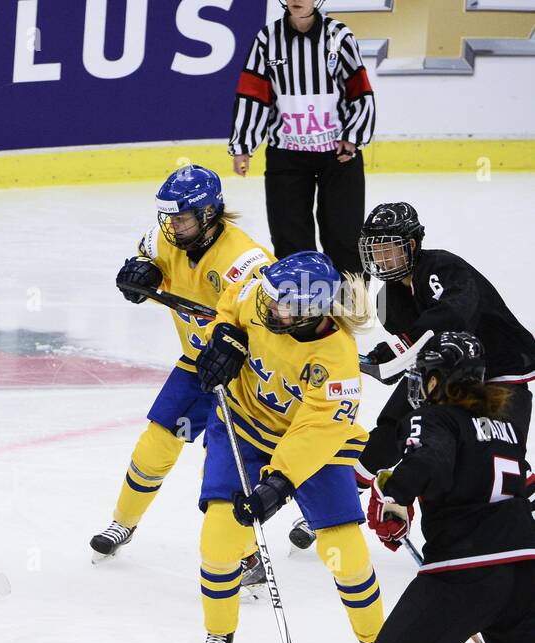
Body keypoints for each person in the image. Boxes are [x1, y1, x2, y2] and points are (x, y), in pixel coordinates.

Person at [361, 331, 535, 643]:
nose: (420, 385)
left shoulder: (436, 415)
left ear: (444, 380)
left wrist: (395, 499)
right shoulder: (502, 420)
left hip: (468, 570)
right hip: (525, 563)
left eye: (425, 375)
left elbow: (430, 461)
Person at [190, 252, 383, 643]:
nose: (271, 307)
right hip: (242, 425)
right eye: (272, 297)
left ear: (313, 311)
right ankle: (219, 635)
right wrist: (224, 336)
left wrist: (279, 483)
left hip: (317, 446)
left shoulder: (337, 360)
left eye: (285, 305)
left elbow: (317, 430)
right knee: (218, 540)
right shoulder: (266, 295)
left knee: (345, 553)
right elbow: (231, 305)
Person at [91, 165, 273, 586]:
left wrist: (239, 347)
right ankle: (124, 522)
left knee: (223, 467)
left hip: (243, 378)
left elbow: (270, 320)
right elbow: (145, 259)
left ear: (209, 214)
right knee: (154, 445)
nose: (172, 226)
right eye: (168, 217)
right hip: (196, 365)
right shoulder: (165, 238)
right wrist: (139, 274)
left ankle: (246, 557)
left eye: (182, 218)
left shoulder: (245, 260)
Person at [356, 201, 535, 487]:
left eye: (387, 247)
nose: (380, 256)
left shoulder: (442, 267)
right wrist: (387, 363)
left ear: (412, 245)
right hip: (444, 369)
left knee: (501, 457)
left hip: (500, 366)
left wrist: (401, 347)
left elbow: (454, 313)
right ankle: (342, 499)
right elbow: (414, 351)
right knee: (393, 426)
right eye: (374, 248)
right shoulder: (386, 301)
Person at [229, 0, 375, 277]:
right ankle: (299, 308)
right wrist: (243, 146)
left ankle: (350, 306)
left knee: (344, 236)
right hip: (286, 156)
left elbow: (359, 88)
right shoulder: (267, 39)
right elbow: (253, 94)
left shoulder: (339, 36)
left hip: (339, 156)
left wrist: (353, 136)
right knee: (290, 239)